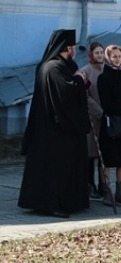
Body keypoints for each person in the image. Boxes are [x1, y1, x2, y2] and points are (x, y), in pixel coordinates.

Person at [18, 29, 90, 218]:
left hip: (58, 129)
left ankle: (70, 201)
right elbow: (65, 92)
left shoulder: (62, 65)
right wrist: (78, 79)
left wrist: (78, 79)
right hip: (54, 131)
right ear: (67, 47)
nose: (75, 50)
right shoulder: (53, 67)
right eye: (73, 46)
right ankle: (52, 203)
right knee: (55, 169)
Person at [97, 45, 121, 206]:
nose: (117, 59)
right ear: (108, 58)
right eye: (114, 56)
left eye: (119, 56)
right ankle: (107, 193)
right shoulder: (103, 78)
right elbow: (106, 103)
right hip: (110, 125)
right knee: (107, 160)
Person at [80, 41, 106, 199]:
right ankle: (90, 184)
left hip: (107, 119)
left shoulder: (107, 70)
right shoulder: (85, 72)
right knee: (91, 153)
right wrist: (98, 110)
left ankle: (104, 185)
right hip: (92, 118)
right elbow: (85, 95)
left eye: (102, 52)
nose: (100, 55)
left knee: (104, 154)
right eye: (96, 53)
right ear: (90, 54)